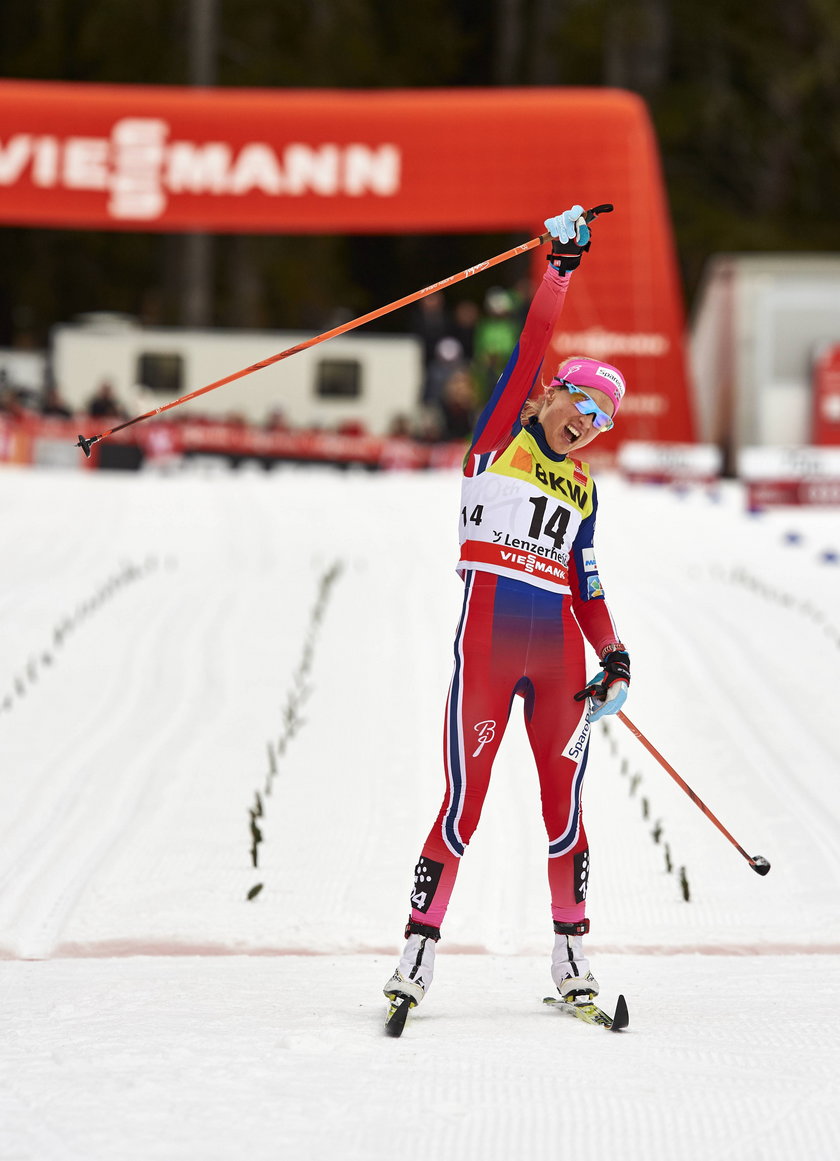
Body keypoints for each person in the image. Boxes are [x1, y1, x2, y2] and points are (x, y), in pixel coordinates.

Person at [384, 205, 631, 1019]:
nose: (589, 429)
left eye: (603, 423)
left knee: (567, 807)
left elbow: (586, 582)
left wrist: (616, 657)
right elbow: (530, 349)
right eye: (584, 407)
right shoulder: (500, 441)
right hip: (491, 650)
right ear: (556, 396)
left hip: (560, 657)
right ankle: (418, 949)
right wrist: (560, 268)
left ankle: (571, 951)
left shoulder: (586, 489)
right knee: (466, 803)